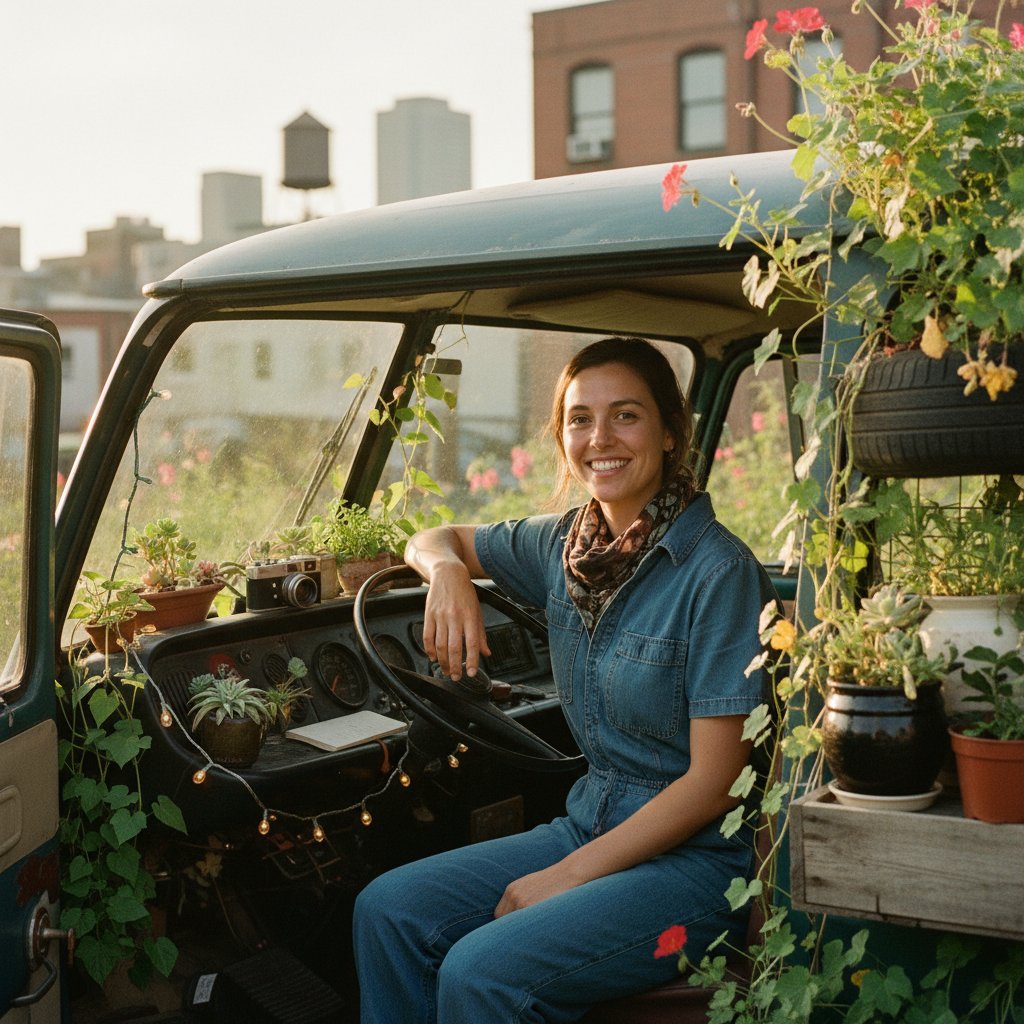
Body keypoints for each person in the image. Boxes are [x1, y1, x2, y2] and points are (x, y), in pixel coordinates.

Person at [353, 337, 776, 1023]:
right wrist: (451, 573)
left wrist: (562, 878)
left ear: (670, 432)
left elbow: (715, 783)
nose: (599, 438)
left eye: (626, 416)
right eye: (580, 419)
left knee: (480, 973)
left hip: (696, 864)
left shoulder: (718, 572)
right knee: (388, 910)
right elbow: (433, 538)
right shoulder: (564, 546)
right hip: (591, 821)